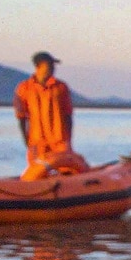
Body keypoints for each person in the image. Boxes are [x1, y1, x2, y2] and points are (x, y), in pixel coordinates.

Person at [14, 51, 89, 181]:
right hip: (37, 140)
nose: (53, 69)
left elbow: (68, 114)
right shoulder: (24, 88)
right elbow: (21, 117)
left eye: (53, 66)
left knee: (68, 172)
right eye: (49, 66)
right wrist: (26, 140)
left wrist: (68, 138)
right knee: (36, 174)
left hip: (59, 139)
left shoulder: (61, 87)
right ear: (38, 67)